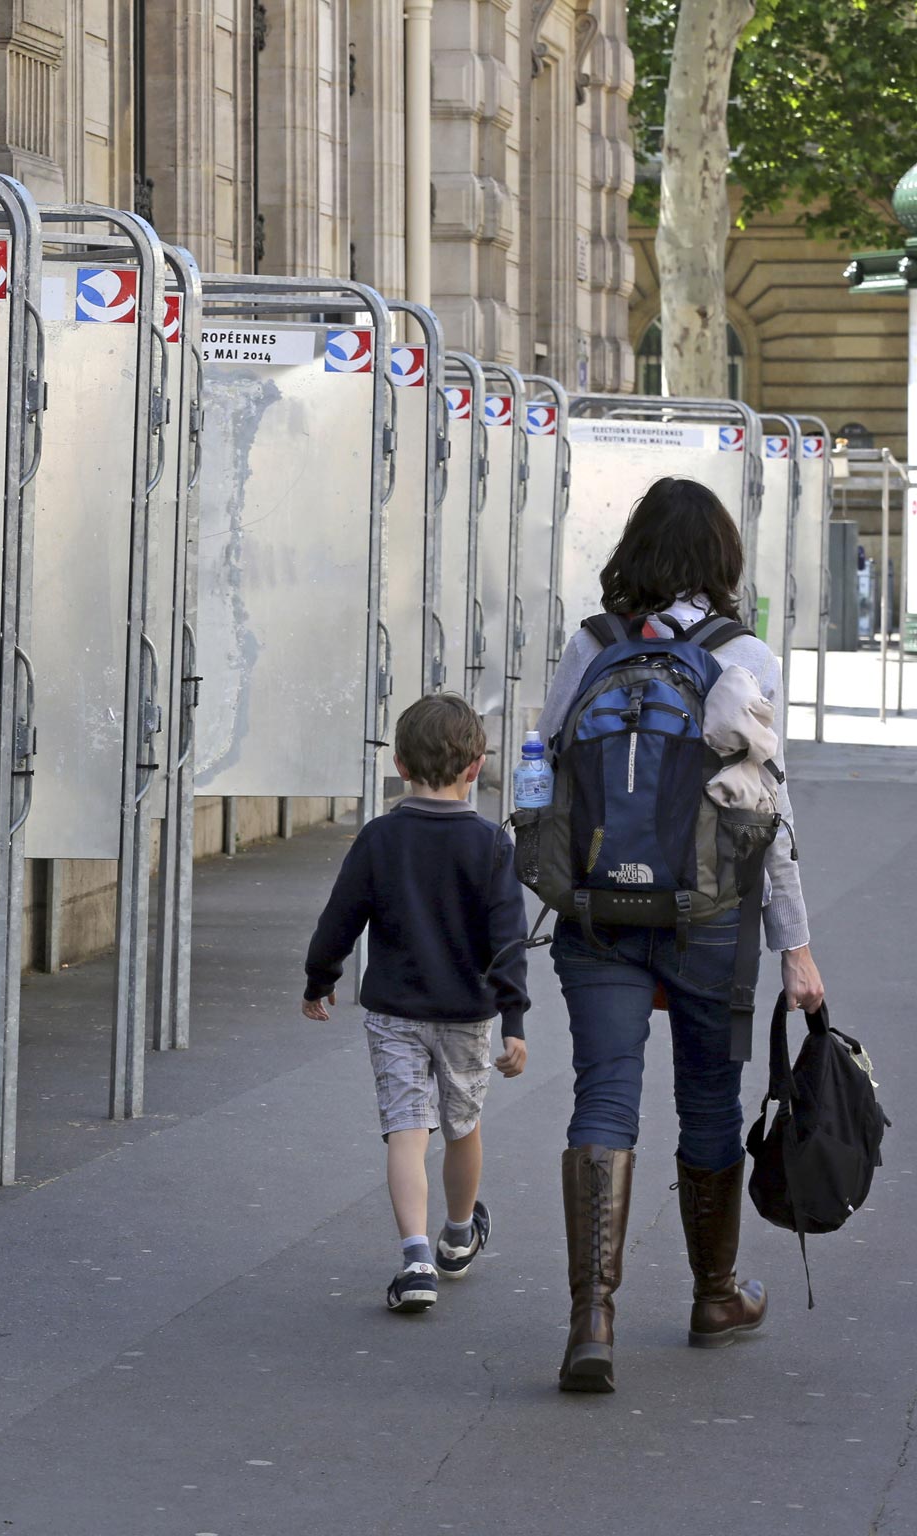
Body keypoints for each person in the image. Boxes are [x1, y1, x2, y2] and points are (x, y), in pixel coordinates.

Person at [539, 475, 825, 1393]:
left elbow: (541, 763)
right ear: (722, 559)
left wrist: (541, 883)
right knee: (707, 1101)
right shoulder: (748, 657)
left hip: (595, 914)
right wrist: (797, 944)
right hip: (712, 918)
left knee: (604, 1094)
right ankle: (714, 1294)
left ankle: (592, 1318)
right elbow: (768, 812)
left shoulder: (589, 646)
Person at [301, 694, 530, 1315]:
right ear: (475, 766)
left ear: (399, 764)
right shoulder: (490, 844)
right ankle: (459, 1235)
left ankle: (416, 1258)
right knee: (463, 1125)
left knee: (405, 1128)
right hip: (467, 1014)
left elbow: (339, 920)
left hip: (395, 1011)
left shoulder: (380, 838)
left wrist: (319, 980)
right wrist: (513, 1020)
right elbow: (507, 938)